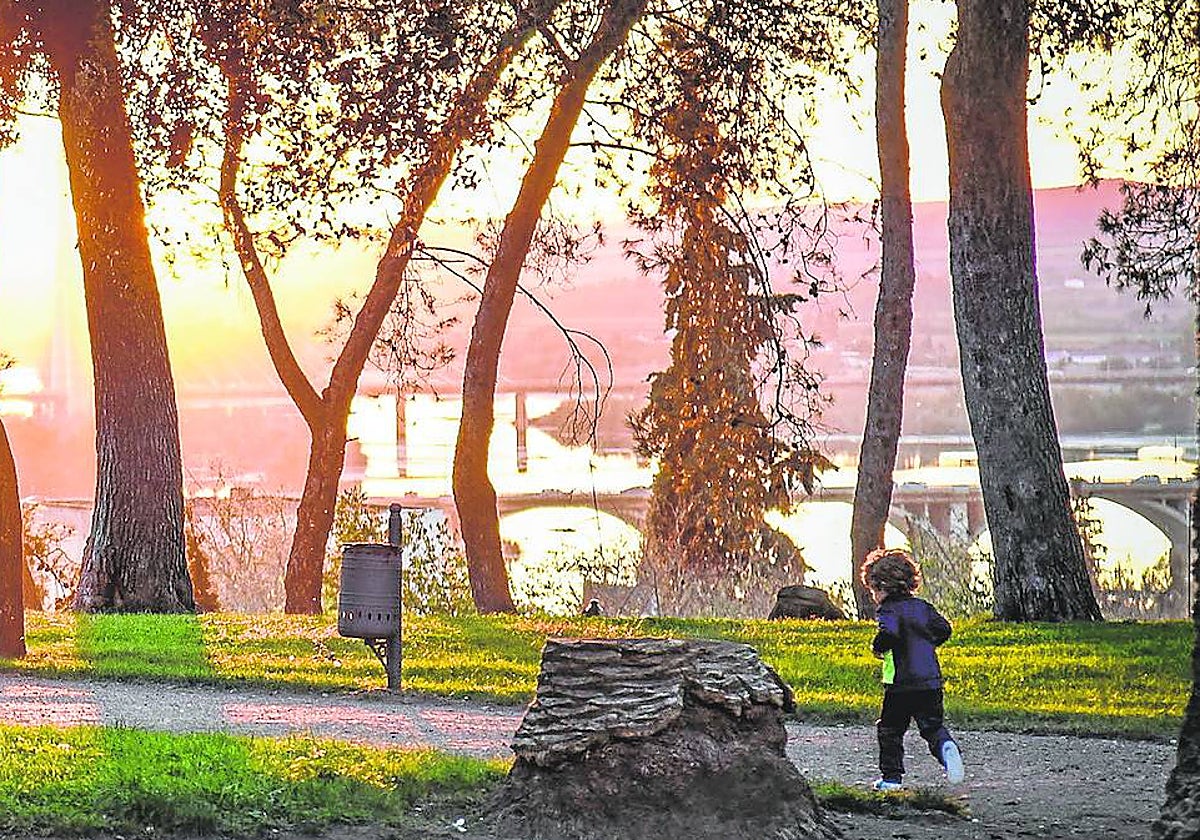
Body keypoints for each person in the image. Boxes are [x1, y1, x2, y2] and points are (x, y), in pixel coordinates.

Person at [861, 547, 964, 791]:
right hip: (930, 680)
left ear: (882, 587)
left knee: (890, 729)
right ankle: (946, 748)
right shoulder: (923, 607)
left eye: (873, 590)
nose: (874, 596)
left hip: (900, 683)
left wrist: (878, 647)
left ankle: (891, 779)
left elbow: (890, 633)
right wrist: (927, 644)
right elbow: (944, 629)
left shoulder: (888, 609)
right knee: (933, 727)